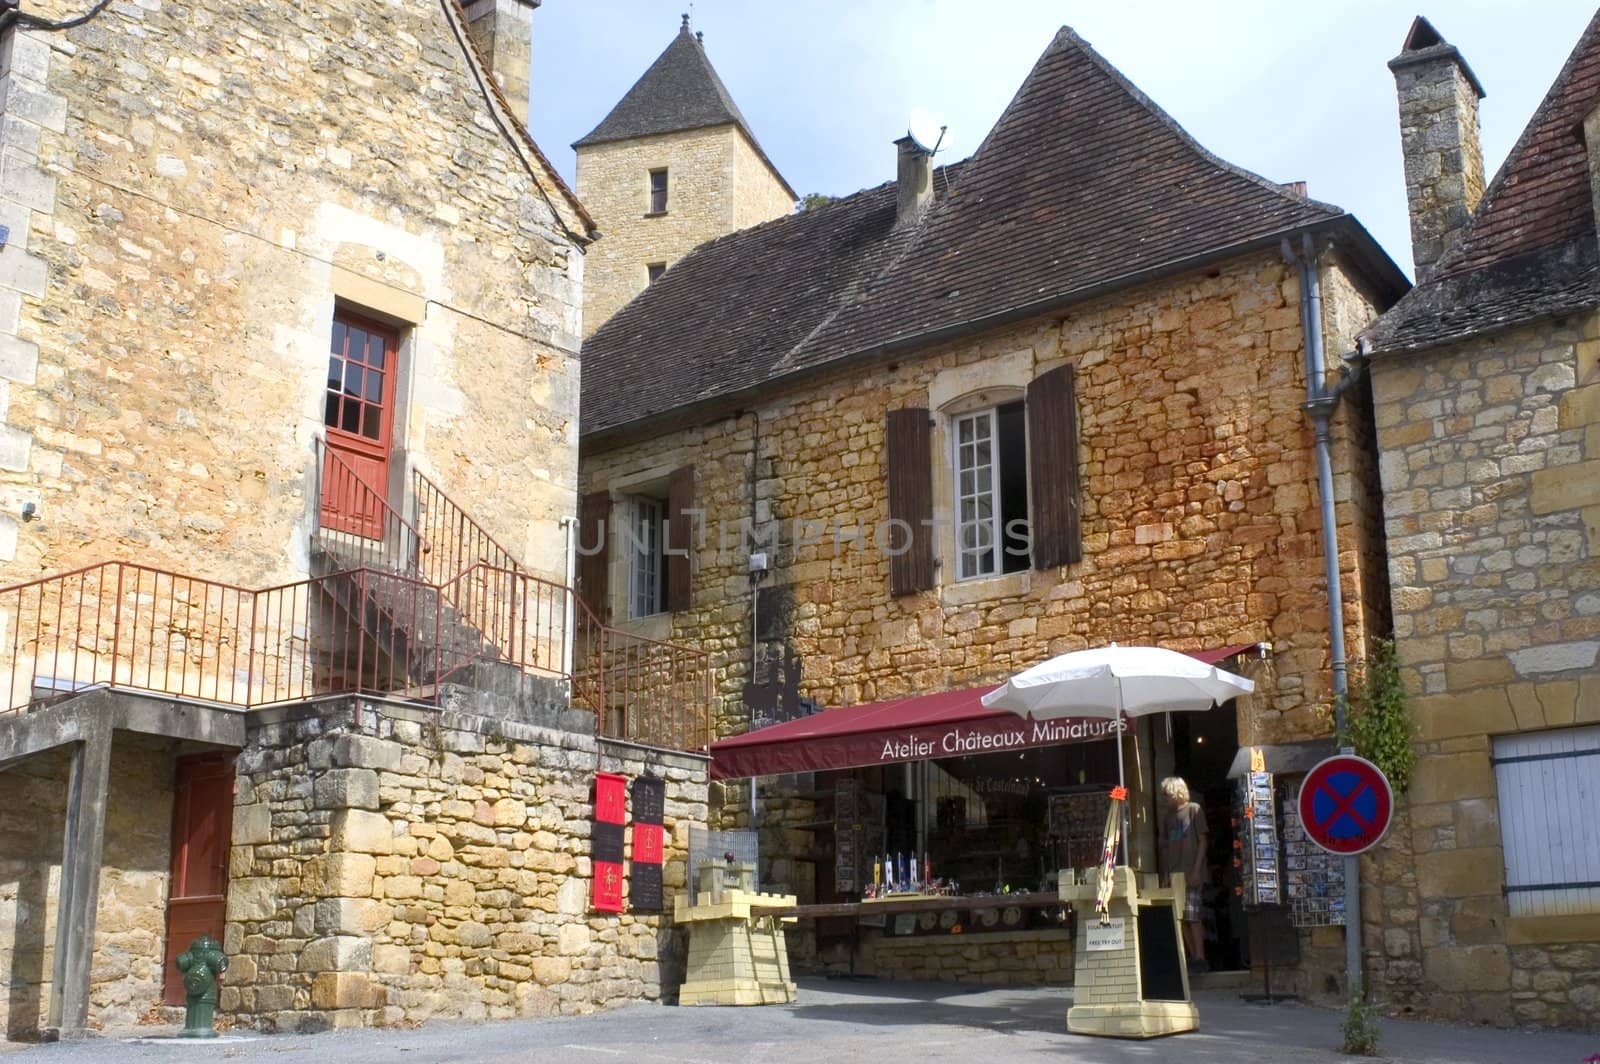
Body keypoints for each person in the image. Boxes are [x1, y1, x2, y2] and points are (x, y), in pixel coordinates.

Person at [1158, 775, 1209, 973]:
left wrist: (1197, 870)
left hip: (1191, 871)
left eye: (1167, 794)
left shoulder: (1194, 810)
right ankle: (1192, 955)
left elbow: (1203, 841)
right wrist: (1164, 874)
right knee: (1181, 916)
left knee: (1193, 915)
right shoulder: (1167, 818)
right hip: (1174, 874)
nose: (1165, 799)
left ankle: (1200, 957)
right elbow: (1164, 848)